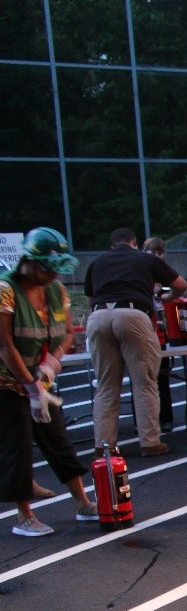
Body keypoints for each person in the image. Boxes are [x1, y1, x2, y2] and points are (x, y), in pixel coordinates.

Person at [1, 227, 100, 537]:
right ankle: (24, 515)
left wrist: (51, 363)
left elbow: (68, 331)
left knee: (57, 439)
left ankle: (82, 502)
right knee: (18, 447)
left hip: (41, 380)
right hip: (7, 382)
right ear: (29, 261)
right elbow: (4, 345)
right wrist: (29, 386)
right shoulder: (6, 290)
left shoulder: (56, 290)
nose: (51, 274)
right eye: (47, 266)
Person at [84, 227, 186, 458]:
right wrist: (167, 298)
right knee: (145, 381)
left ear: (112, 245)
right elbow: (180, 284)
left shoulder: (97, 262)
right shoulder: (145, 258)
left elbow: (90, 299)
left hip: (99, 316)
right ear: (134, 242)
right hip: (133, 314)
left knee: (106, 385)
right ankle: (150, 442)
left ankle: (104, 445)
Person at [141, 237, 176, 432]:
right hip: (143, 330)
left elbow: (174, 292)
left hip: (161, 332)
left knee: (162, 377)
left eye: (160, 253)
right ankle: (145, 420)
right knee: (144, 378)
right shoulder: (140, 274)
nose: (156, 256)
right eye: (152, 253)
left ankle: (166, 418)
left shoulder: (165, 276)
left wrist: (165, 297)